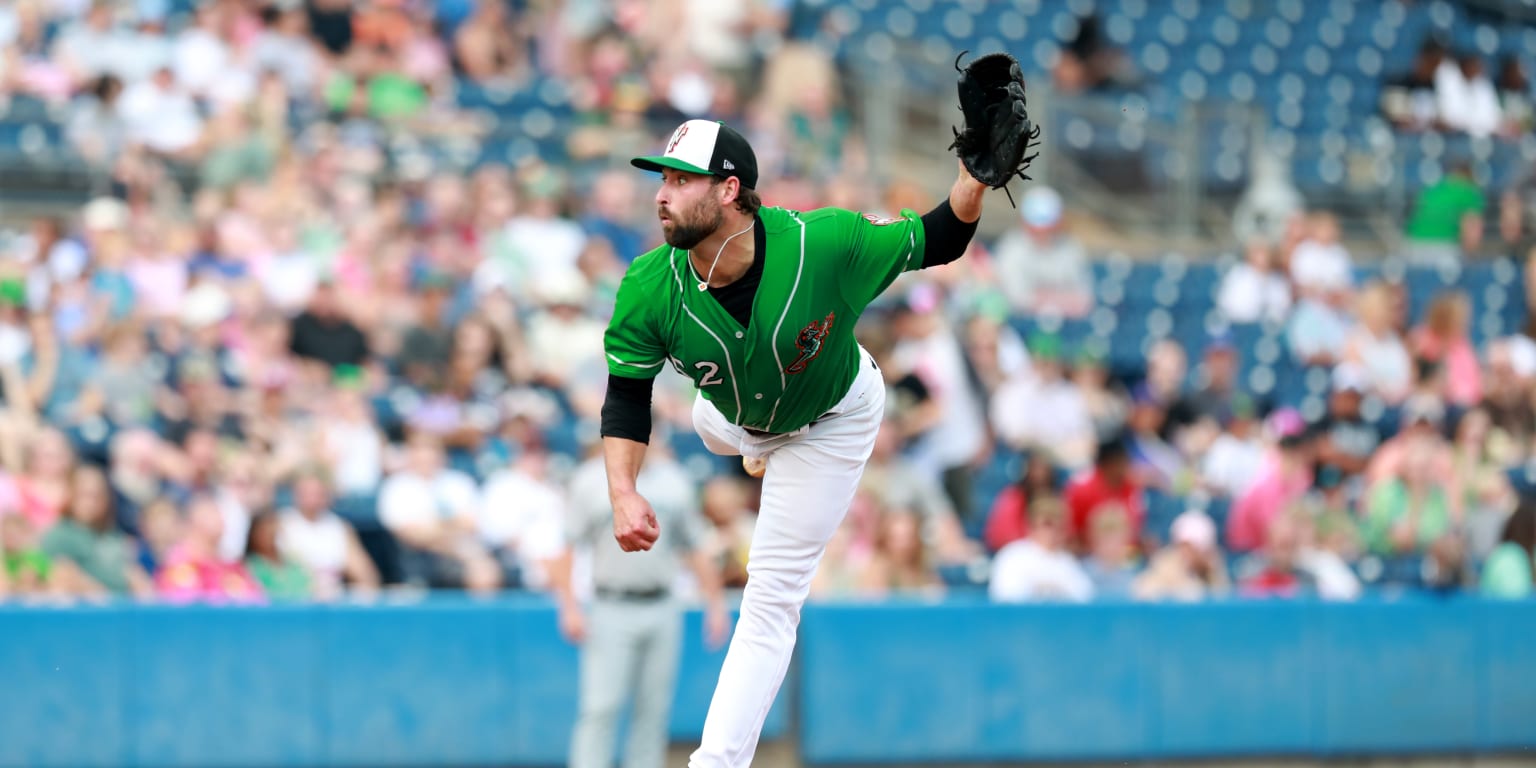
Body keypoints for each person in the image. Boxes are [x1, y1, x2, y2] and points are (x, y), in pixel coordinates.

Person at [599, 118, 995, 767]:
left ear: (730, 189)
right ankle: (754, 444)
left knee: (772, 599)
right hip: (732, 418)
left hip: (832, 419)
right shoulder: (649, 285)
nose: (661, 194)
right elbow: (625, 396)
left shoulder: (824, 242)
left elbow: (937, 239)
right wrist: (622, 491)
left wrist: (971, 184)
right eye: (661, 179)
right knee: (714, 422)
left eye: (679, 179)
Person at [551, 440, 729, 768]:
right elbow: (566, 547)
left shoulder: (674, 481)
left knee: (653, 710)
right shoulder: (590, 479)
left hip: (662, 604)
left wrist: (715, 605)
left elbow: (695, 547)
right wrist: (569, 606)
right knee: (600, 706)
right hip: (610, 603)